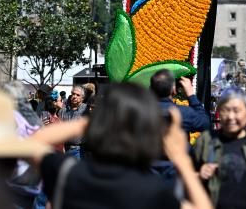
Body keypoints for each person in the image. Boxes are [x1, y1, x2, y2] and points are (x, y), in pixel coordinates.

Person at [29, 83, 212, 209]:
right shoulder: (152, 190)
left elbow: (34, 142)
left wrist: (90, 123)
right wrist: (181, 160)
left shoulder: (69, 173)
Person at [191, 88, 246, 209]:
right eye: (226, 110)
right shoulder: (206, 140)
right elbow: (185, 179)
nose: (231, 116)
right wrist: (199, 175)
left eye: (237, 111)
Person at [152, 70, 211, 135]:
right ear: (173, 89)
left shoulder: (145, 112)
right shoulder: (183, 113)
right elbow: (205, 123)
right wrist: (191, 95)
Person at [59, 86, 88, 157]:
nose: (74, 96)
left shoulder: (86, 110)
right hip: (65, 149)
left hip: (80, 150)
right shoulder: (63, 111)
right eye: (73, 94)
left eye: (78, 95)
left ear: (82, 98)